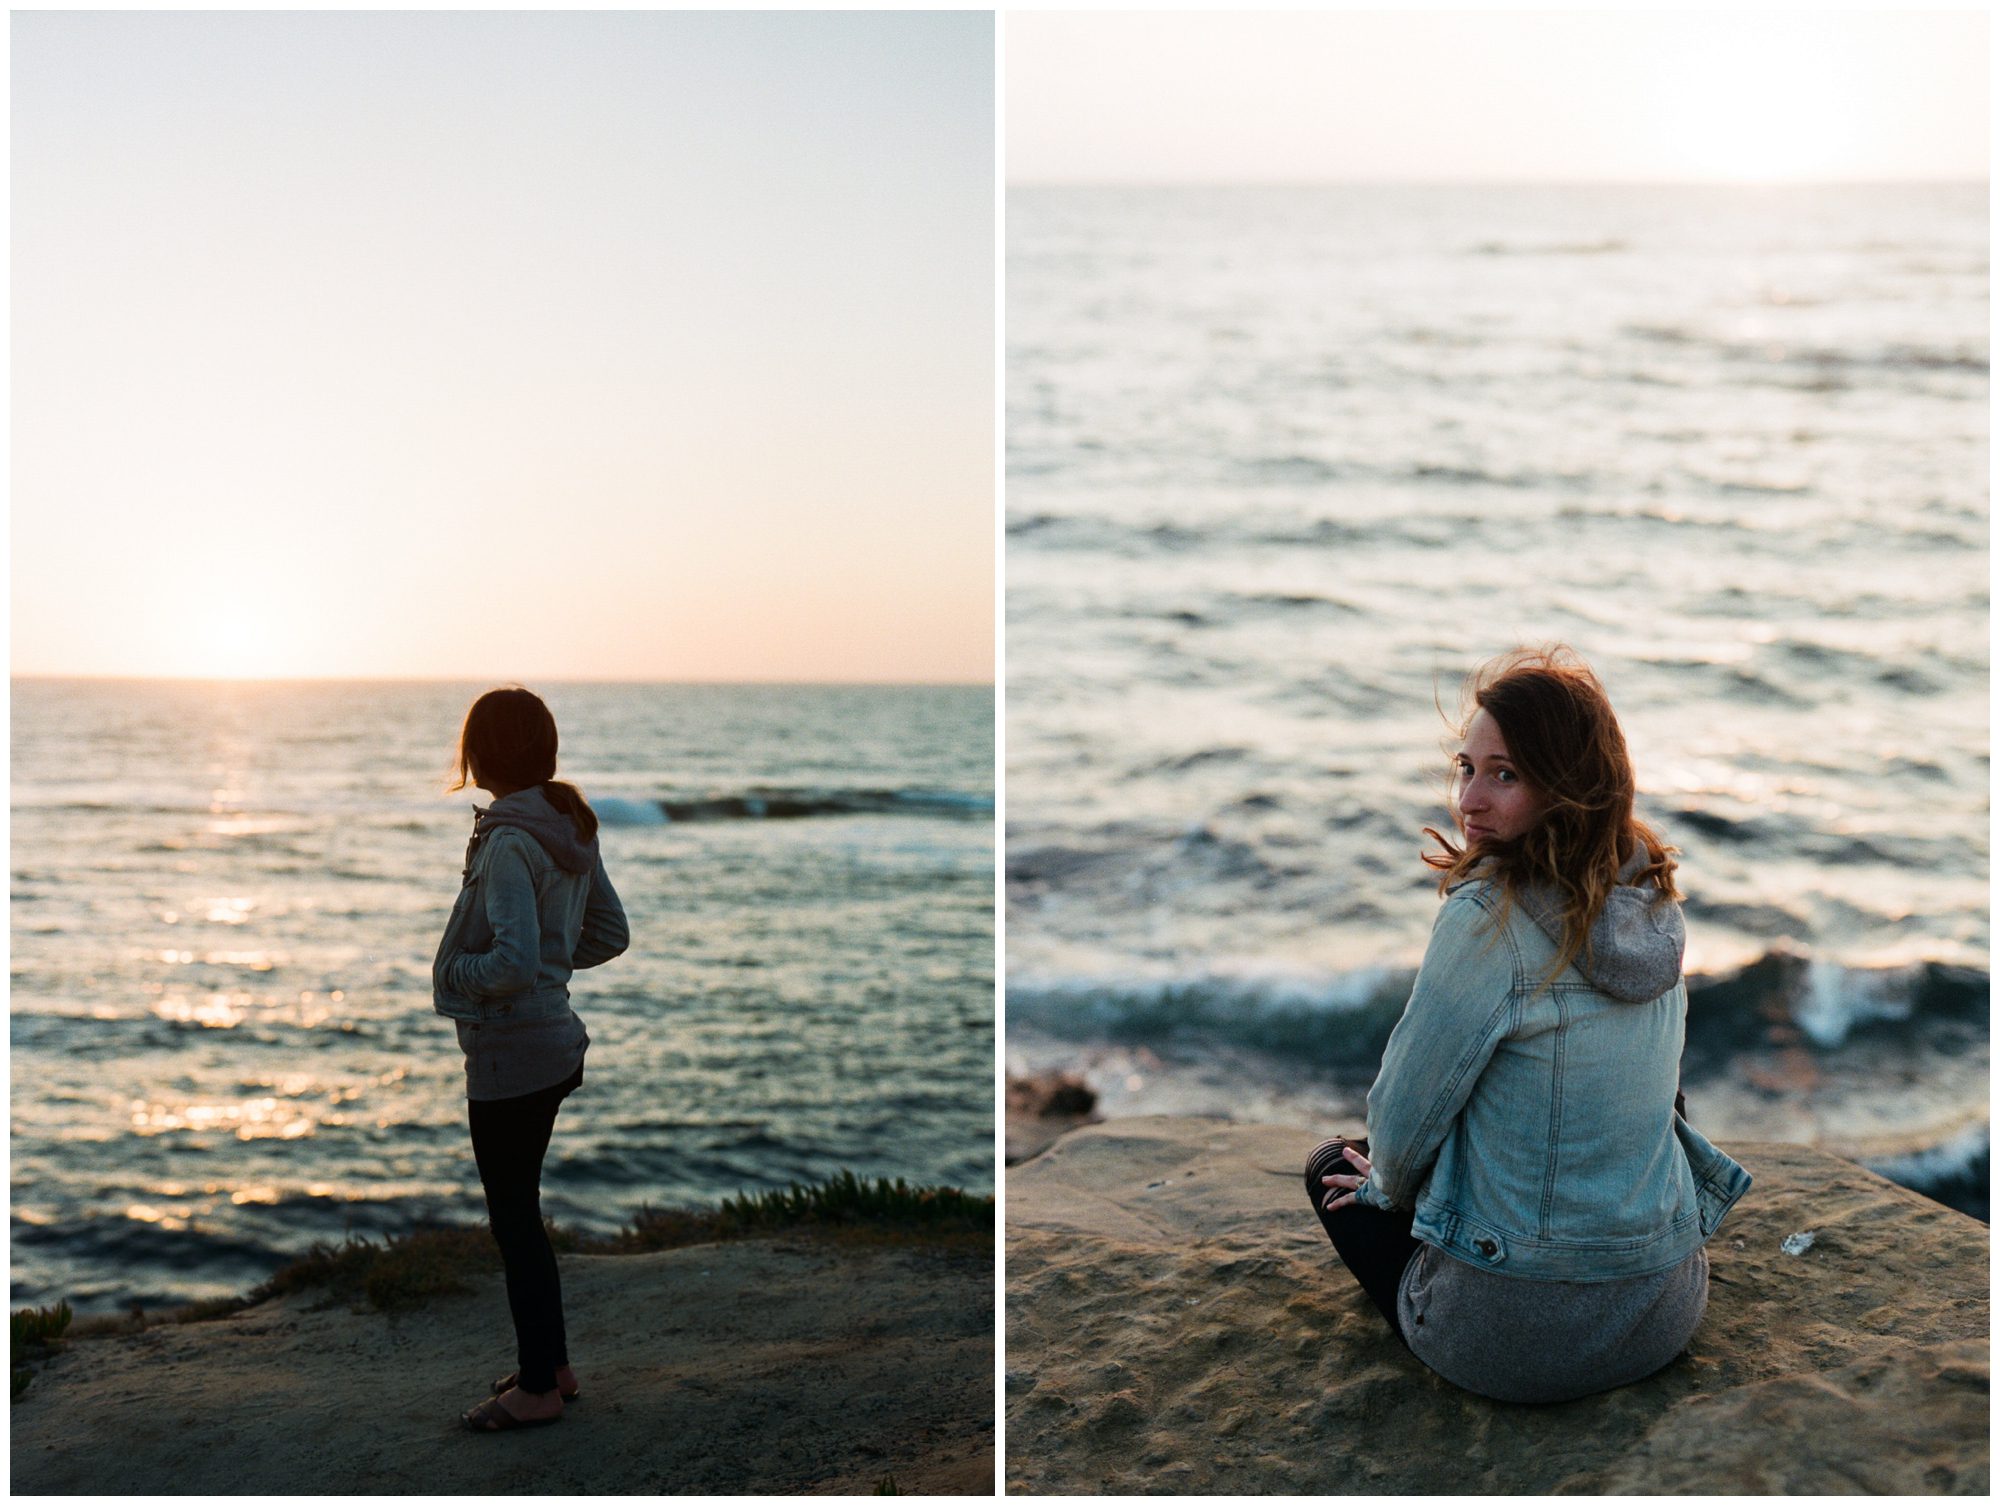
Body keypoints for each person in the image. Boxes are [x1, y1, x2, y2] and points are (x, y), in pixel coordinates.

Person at [1305, 646, 1750, 1404]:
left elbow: (1405, 1119)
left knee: (1330, 1168)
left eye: (1504, 775)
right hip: (1663, 1310)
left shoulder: (1487, 918)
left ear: (1566, 788)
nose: (1470, 800)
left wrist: (1384, 1184)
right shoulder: (1649, 893)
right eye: (1466, 768)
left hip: (1511, 1343)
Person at [434, 686, 630, 1432]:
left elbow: (511, 962)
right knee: (525, 1215)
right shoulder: (565, 822)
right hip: (552, 1043)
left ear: (484, 753)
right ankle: (553, 1367)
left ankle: (541, 1389)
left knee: (514, 1222)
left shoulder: (513, 838)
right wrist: (554, 966)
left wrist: (458, 977)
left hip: (513, 1054)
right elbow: (608, 932)